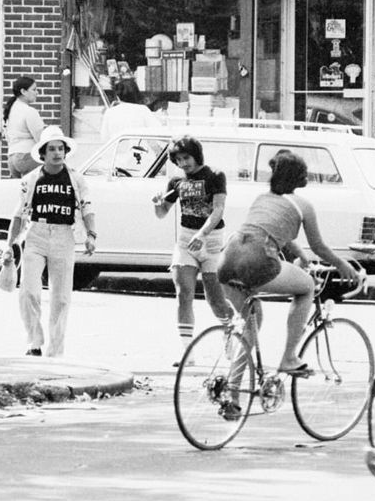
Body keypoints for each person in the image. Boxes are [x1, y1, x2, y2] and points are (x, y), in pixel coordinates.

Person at [217, 150, 357, 375]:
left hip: (227, 259)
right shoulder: (304, 205)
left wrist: (301, 257)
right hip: (257, 259)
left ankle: (232, 393)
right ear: (301, 178)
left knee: (251, 325)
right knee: (307, 287)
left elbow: (277, 232)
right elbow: (319, 246)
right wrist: (342, 264)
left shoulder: (263, 199)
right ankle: (289, 357)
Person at [2, 126, 96, 358]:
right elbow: (19, 212)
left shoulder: (76, 178)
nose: (57, 153)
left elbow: (87, 207)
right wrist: (9, 242)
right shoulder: (31, 179)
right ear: (43, 153)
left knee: (61, 297)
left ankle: (55, 350)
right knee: (29, 291)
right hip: (36, 234)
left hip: (64, 234)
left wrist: (92, 235)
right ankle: (34, 342)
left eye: (60, 148)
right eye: (51, 149)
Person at [152, 135, 233, 366]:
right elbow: (162, 213)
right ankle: (187, 352)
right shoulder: (176, 181)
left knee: (215, 298)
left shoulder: (215, 175)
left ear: (196, 154)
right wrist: (158, 204)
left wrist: (203, 234)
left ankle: (230, 331)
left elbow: (218, 209)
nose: (183, 163)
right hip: (186, 240)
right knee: (183, 293)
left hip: (212, 240)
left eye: (186, 157)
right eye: (178, 159)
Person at [3, 76, 45, 178]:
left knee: (22, 192)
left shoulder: (10, 110)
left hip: (12, 159)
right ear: (23, 91)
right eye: (34, 89)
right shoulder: (29, 111)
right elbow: (41, 140)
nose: (37, 93)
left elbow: (7, 136)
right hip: (28, 156)